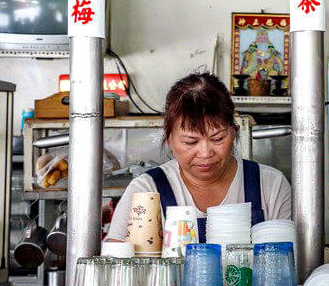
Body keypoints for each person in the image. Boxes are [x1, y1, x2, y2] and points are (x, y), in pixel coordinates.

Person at [106, 73, 291, 242]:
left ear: (234, 133)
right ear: (169, 139)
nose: (205, 153)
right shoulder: (146, 191)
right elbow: (114, 264)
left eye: (217, 139)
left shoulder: (270, 185)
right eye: (190, 142)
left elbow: (293, 264)